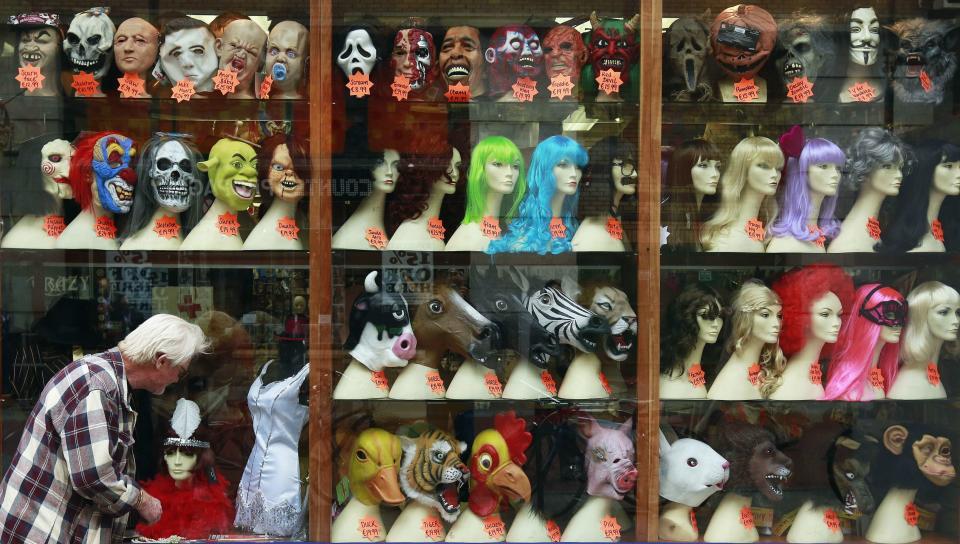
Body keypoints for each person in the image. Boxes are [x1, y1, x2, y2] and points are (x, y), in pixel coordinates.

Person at [0, 314, 211, 544]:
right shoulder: (97, 385)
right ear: (161, 361)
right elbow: (93, 477)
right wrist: (141, 500)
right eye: (180, 372)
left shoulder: (108, 378)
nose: (177, 380)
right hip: (39, 533)